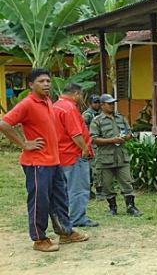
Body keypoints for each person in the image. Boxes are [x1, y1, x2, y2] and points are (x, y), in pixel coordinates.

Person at [0, 68, 89, 252]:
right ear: (31, 85)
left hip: (54, 161)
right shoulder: (27, 104)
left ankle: (65, 232)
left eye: (48, 81)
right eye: (41, 81)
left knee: (60, 198)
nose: (47, 84)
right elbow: (4, 124)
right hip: (37, 163)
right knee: (40, 201)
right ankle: (39, 239)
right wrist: (24, 144)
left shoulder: (48, 102)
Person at [53, 83, 98, 227]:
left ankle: (65, 216)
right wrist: (85, 149)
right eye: (81, 95)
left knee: (65, 188)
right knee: (78, 188)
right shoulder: (69, 108)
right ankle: (78, 218)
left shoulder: (55, 106)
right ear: (77, 94)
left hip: (61, 154)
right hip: (73, 154)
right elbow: (76, 133)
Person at [90, 94, 142, 216]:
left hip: (121, 156)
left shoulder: (121, 118)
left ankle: (131, 207)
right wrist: (112, 140)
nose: (112, 105)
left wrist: (126, 137)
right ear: (102, 105)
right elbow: (93, 139)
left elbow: (129, 133)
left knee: (127, 182)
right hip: (105, 158)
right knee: (107, 185)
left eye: (113, 103)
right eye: (109, 103)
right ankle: (112, 207)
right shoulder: (97, 121)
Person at [82, 94, 102, 199]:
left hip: (99, 144)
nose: (98, 104)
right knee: (92, 169)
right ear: (90, 103)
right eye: (95, 102)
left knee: (99, 168)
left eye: (99, 102)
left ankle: (99, 189)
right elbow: (82, 129)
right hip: (90, 145)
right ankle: (90, 191)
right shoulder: (87, 115)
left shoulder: (100, 114)